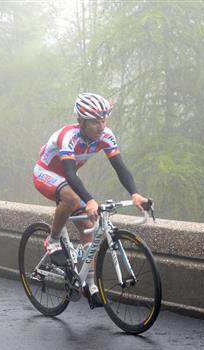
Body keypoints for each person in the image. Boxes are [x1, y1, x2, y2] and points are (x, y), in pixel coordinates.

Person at [33, 92, 150, 307]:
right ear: (81, 122)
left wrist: (134, 194)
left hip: (68, 180)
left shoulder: (106, 136)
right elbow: (69, 174)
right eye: (95, 122)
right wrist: (90, 200)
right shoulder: (68, 136)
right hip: (45, 173)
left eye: (104, 120)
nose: (101, 126)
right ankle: (53, 240)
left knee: (87, 226)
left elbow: (120, 167)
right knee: (70, 197)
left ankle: (89, 283)